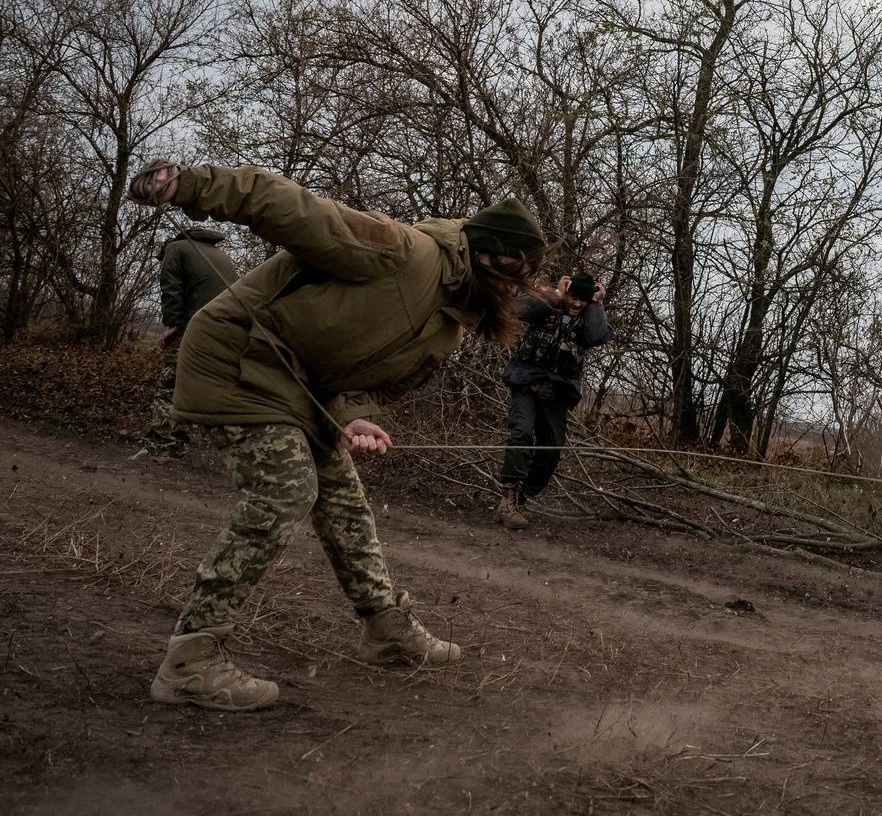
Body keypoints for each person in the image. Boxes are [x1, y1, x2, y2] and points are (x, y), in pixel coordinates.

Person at [124, 160, 546, 712]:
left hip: (301, 385)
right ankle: (190, 660)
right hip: (239, 354)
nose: (517, 293)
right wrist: (193, 185)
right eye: (517, 277)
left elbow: (360, 375)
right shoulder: (403, 250)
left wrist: (355, 413)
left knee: (344, 501)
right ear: (496, 258)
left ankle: (385, 629)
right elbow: (293, 208)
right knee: (286, 490)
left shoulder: (446, 324)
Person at [496, 272, 611, 529]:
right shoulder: (547, 308)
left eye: (583, 300)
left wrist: (597, 303)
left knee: (551, 449)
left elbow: (597, 336)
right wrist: (555, 295)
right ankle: (507, 500)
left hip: (556, 395)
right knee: (521, 434)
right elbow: (518, 310)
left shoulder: (587, 321)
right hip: (527, 385)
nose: (577, 304)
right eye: (574, 297)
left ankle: (521, 498)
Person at [134, 224, 238, 460]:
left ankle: (160, 447)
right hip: (226, 332)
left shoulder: (175, 249)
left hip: (196, 328)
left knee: (169, 386)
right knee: (192, 388)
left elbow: (171, 290)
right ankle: (178, 443)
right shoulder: (218, 254)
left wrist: (172, 326)